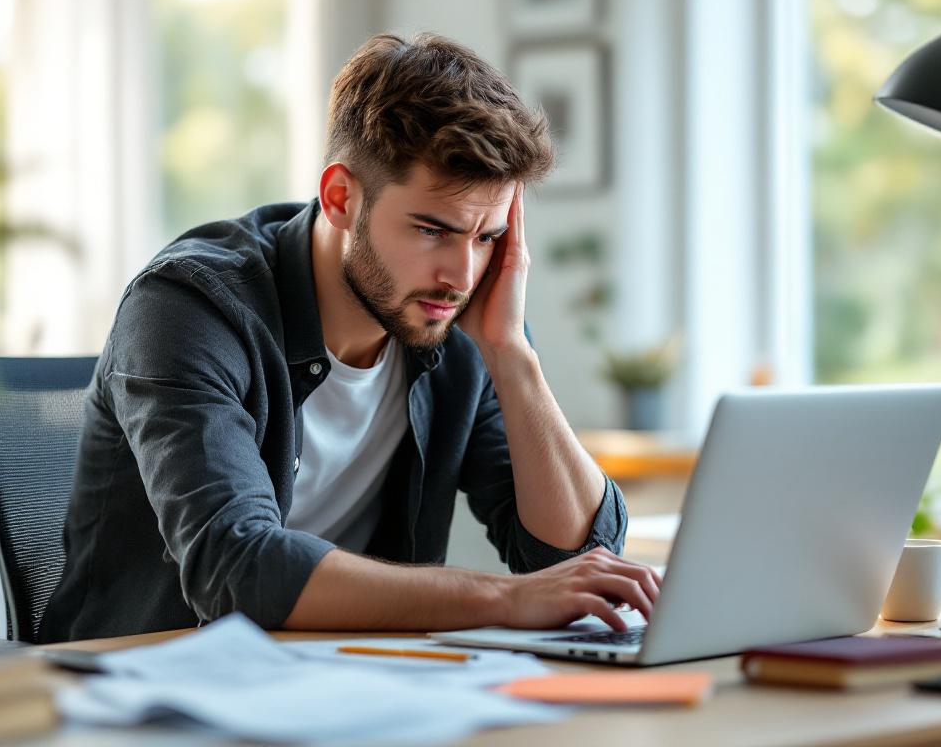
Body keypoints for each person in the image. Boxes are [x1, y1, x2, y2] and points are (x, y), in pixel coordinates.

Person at [39, 32, 661, 643]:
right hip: (150, 693)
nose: (462, 275)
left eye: (487, 236)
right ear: (340, 198)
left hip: (351, 680)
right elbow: (236, 569)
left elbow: (578, 560)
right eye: (430, 230)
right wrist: (502, 598)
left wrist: (513, 357)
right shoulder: (190, 307)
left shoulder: (463, 322)